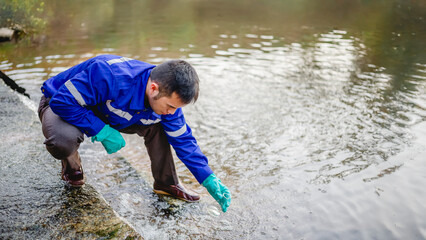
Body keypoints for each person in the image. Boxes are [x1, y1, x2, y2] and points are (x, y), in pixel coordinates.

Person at [38, 55, 231, 212]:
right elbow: (63, 102)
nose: (173, 112)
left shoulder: (167, 101)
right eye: (171, 106)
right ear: (153, 88)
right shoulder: (108, 74)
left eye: (177, 108)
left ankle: (166, 183)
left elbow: (183, 140)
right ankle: (72, 165)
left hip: (111, 112)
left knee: (162, 125)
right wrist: (101, 130)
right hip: (62, 103)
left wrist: (208, 178)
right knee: (62, 141)